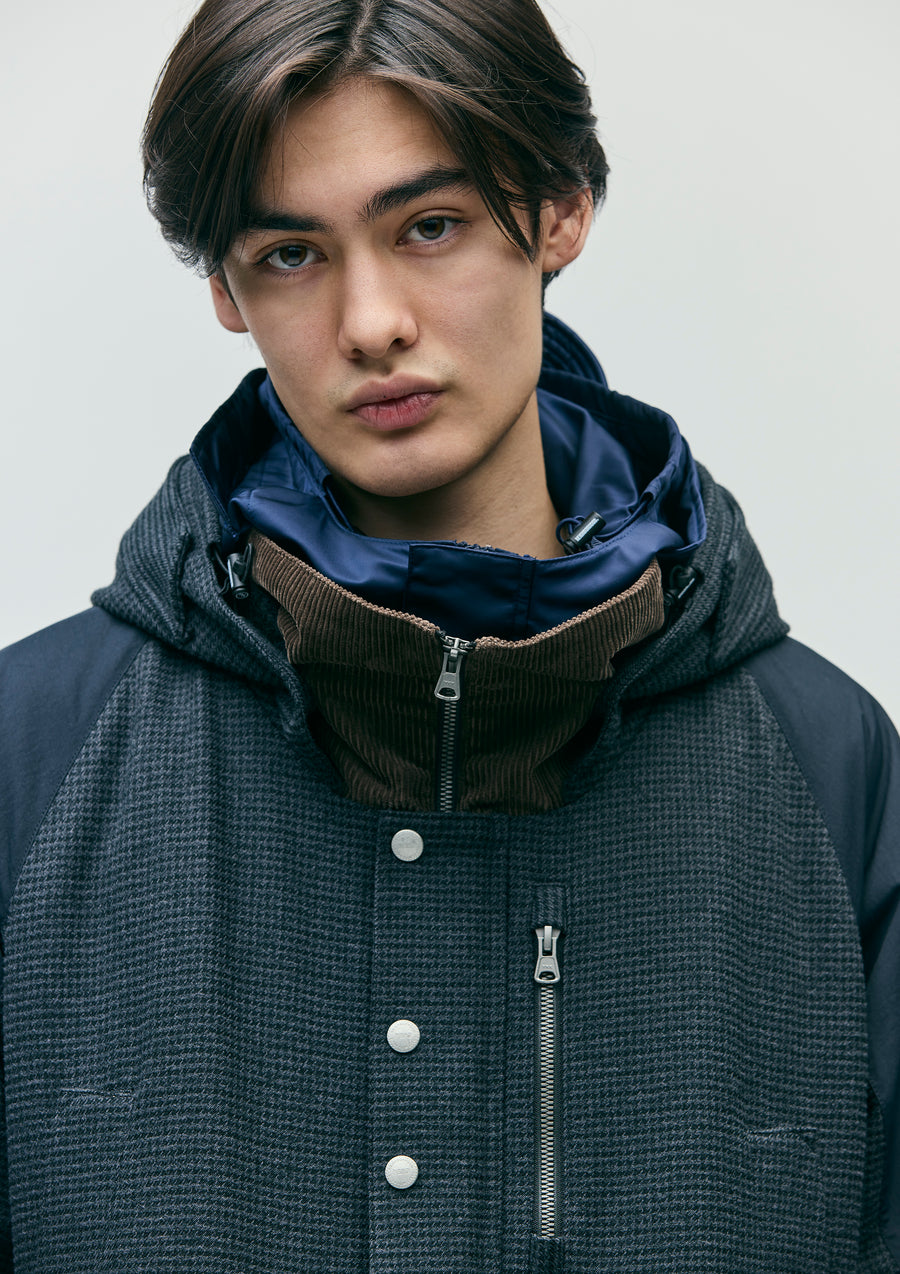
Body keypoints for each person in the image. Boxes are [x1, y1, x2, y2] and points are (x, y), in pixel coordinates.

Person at [0, 0, 897, 1267]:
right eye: (291, 254)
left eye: (430, 225)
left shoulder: (830, 766)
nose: (371, 321)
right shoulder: (29, 758)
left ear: (561, 209)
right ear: (223, 289)